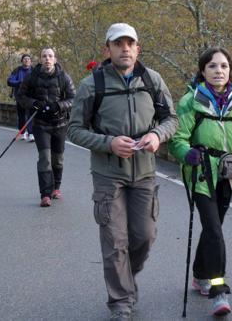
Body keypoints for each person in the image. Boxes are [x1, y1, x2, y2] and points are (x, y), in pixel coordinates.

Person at [67, 23, 178, 321]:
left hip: (144, 172)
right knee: (115, 241)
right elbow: (74, 130)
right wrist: (108, 143)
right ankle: (120, 302)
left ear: (138, 48)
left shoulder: (152, 80)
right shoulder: (92, 84)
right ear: (108, 49)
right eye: (118, 44)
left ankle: (126, 281)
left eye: (130, 43)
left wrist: (157, 136)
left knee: (144, 236)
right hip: (107, 174)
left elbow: (171, 119)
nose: (125, 48)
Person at [168, 47, 232, 316]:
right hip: (201, 174)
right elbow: (178, 138)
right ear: (202, 71)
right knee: (214, 229)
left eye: (223, 66)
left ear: (230, 70)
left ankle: (200, 274)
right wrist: (186, 153)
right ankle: (218, 291)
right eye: (212, 66)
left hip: (230, 173)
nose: (218, 70)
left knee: (214, 228)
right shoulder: (190, 100)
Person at [16, 47, 75, 207]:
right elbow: (21, 96)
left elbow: (73, 99)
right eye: (44, 56)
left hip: (60, 124)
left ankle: (56, 187)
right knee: (45, 159)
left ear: (55, 59)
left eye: (50, 56)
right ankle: (45, 194)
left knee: (58, 159)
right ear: (40, 59)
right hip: (40, 124)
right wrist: (34, 103)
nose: (47, 58)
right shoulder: (31, 77)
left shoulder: (64, 77)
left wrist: (59, 105)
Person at [7, 54, 34, 141]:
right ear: (22, 61)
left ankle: (31, 133)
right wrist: (20, 82)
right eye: (25, 59)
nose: (27, 60)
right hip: (20, 97)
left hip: (31, 97)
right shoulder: (17, 70)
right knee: (21, 116)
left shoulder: (34, 71)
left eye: (28, 59)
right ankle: (23, 132)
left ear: (31, 61)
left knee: (30, 115)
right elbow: (10, 81)